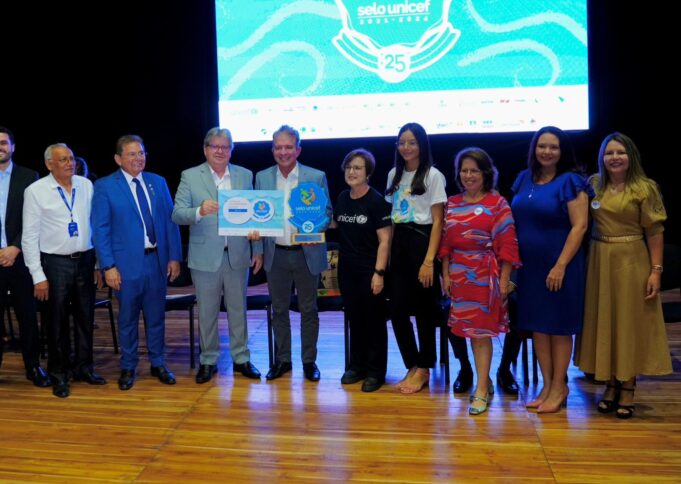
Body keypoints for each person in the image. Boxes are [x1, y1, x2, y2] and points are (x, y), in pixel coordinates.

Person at [574, 132, 672, 419]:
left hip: (632, 260)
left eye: (620, 152)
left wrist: (656, 271)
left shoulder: (644, 188)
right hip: (599, 259)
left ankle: (628, 385)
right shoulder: (594, 184)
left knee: (628, 323)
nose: (614, 158)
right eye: (609, 153)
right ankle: (611, 382)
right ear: (602, 157)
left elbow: (655, 232)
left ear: (631, 156)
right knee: (605, 321)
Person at [172, 127, 263, 383]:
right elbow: (177, 214)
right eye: (215, 146)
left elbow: (255, 216)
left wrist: (257, 249)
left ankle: (241, 358)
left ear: (232, 150)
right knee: (207, 311)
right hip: (204, 256)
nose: (220, 151)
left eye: (225, 146)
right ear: (205, 149)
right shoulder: (190, 176)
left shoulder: (245, 175)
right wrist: (199, 211)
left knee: (238, 309)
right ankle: (208, 360)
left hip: (238, 254)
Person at [92, 135, 182, 391]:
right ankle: (128, 366)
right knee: (128, 318)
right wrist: (107, 266)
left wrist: (174, 256)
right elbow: (100, 229)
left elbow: (170, 222)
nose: (138, 158)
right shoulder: (105, 186)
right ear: (118, 158)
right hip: (124, 266)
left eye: (141, 153)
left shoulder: (158, 182)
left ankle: (158, 363)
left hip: (157, 261)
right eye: (132, 154)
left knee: (156, 317)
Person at [511, 126, 589, 413]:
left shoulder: (571, 181)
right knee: (538, 327)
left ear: (562, 151)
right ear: (534, 149)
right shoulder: (523, 178)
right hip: (529, 268)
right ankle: (546, 385)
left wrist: (560, 265)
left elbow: (580, 227)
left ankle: (559, 386)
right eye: (542, 146)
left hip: (560, 267)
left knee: (557, 328)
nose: (547, 151)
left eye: (553, 147)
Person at [438, 147, 520, 414]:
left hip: (486, 277)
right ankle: (484, 380)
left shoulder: (498, 204)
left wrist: (504, 282)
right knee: (469, 333)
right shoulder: (452, 203)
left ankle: (482, 389)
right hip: (459, 277)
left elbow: (508, 246)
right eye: (464, 170)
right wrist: (446, 274)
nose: (468, 175)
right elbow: (445, 243)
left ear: (485, 173)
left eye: (474, 170)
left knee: (481, 335)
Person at [22, 143, 106, 398]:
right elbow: (29, 236)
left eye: (71, 158)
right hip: (55, 264)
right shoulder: (36, 191)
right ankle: (59, 374)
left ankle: (84, 367)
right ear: (49, 164)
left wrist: (97, 264)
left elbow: (95, 226)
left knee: (85, 318)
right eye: (63, 160)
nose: (70, 163)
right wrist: (38, 275)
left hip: (85, 260)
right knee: (56, 321)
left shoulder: (86, 185)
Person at [254, 125, 332, 382]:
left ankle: (309, 361)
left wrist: (314, 228)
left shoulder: (316, 176)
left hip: (306, 253)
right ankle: (283, 360)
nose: (283, 152)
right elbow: (258, 216)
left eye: (289, 147)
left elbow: (327, 213)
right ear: (272, 150)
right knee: (279, 310)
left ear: (298, 149)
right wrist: (257, 249)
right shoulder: (262, 178)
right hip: (275, 253)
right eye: (278, 147)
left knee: (309, 309)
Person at [385, 122, 446, 394]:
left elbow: (438, 221)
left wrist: (429, 261)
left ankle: (424, 367)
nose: (406, 147)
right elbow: (391, 217)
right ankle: (412, 363)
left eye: (412, 142)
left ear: (422, 144)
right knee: (397, 310)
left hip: (423, 242)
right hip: (399, 242)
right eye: (402, 142)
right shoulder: (393, 174)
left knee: (424, 311)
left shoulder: (433, 175)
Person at [333, 149, 391, 392]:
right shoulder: (342, 198)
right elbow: (334, 224)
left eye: (357, 168)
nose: (351, 172)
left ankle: (376, 372)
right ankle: (357, 366)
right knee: (354, 319)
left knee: (374, 321)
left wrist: (379, 273)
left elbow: (385, 241)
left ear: (368, 173)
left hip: (370, 270)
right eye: (348, 167)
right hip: (347, 270)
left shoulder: (377, 201)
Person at [0, 126, 51, 388]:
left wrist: (15, 247)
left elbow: (35, 219)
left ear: (13, 146)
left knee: (28, 316)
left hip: (21, 258)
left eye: (3, 142)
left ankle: (33, 367)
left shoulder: (29, 176)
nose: (0, 147)